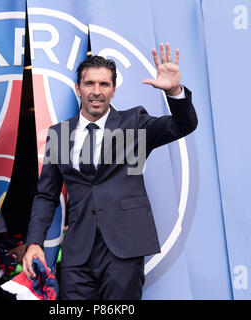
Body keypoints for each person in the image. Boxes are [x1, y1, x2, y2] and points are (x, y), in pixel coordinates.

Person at [22, 43, 198, 300]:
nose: (96, 91)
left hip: (124, 250)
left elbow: (184, 125)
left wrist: (174, 91)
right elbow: (46, 196)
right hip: (77, 254)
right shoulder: (59, 134)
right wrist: (34, 242)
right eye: (89, 84)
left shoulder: (135, 123)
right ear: (77, 89)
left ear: (113, 90)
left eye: (104, 84)